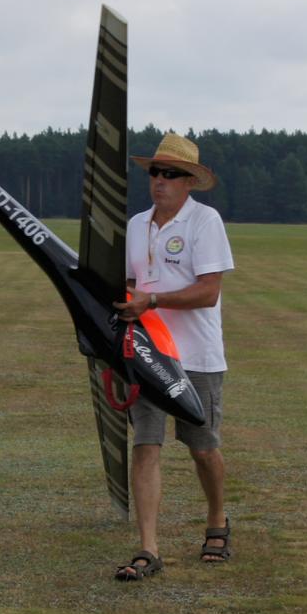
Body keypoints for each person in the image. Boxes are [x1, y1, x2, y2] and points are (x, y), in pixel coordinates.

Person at [110, 132, 236, 581]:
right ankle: (148, 547)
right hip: (148, 354)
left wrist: (154, 301)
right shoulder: (135, 225)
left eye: (170, 174)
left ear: (189, 182)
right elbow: (129, 283)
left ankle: (217, 519)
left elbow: (209, 292)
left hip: (197, 355)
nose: (159, 181)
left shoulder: (205, 221)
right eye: (154, 172)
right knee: (146, 445)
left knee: (203, 448)